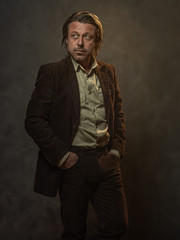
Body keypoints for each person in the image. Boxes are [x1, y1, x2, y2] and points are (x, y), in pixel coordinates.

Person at [25, 11, 128, 240]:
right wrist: (62, 156)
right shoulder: (52, 73)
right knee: (74, 233)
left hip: (106, 162)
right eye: (74, 35)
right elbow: (33, 120)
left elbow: (118, 113)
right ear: (67, 39)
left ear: (96, 41)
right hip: (73, 164)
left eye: (87, 37)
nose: (80, 43)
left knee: (117, 227)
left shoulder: (108, 72)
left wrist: (116, 150)